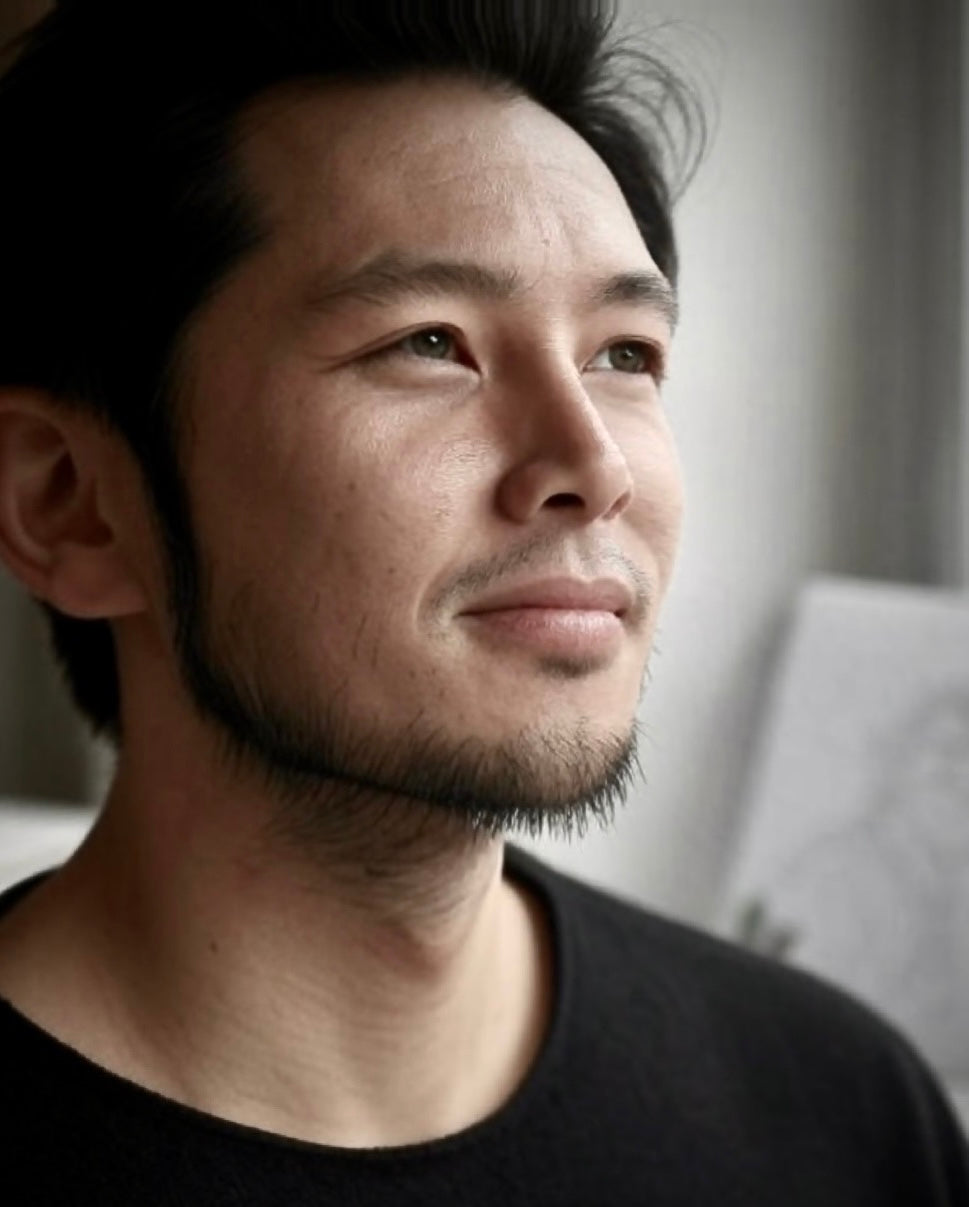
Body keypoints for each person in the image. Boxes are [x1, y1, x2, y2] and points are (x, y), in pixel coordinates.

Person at [0, 1, 964, 1202]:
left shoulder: (842, 1115)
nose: (595, 466)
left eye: (624, 354)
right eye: (429, 343)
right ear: (71, 505)